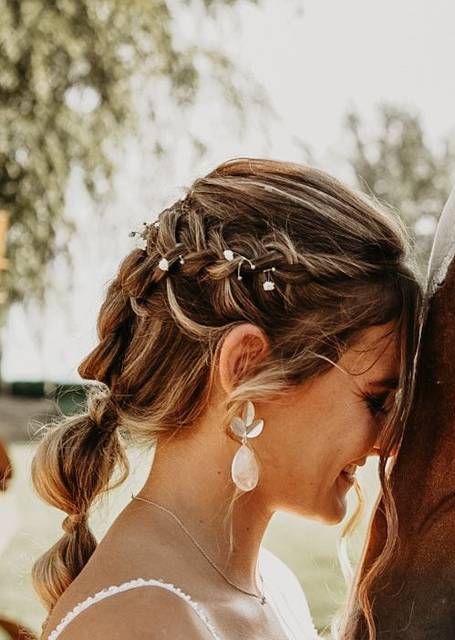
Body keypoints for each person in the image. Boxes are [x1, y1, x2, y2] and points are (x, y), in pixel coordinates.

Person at [31, 158, 421, 639]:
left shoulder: (274, 586)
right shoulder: (133, 626)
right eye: (376, 400)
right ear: (246, 367)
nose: (389, 442)